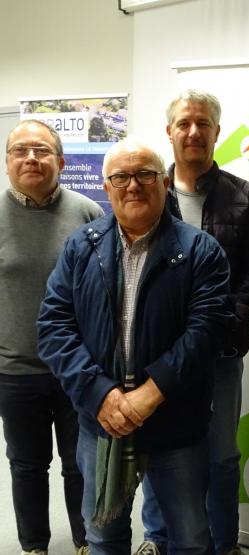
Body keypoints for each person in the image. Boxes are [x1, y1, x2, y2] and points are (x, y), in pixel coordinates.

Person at [36, 138, 234, 555]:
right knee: (103, 537)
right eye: (120, 177)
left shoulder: (201, 251)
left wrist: (151, 392)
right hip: (100, 422)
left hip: (175, 422)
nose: (133, 185)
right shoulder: (81, 246)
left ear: (164, 182)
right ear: (106, 189)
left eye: (145, 174)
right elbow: (54, 326)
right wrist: (100, 394)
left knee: (191, 538)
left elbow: (207, 332)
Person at [136, 90, 249, 555]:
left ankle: (224, 541)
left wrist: (224, 325)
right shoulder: (151, 190)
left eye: (204, 124)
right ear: (170, 131)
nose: (194, 132)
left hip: (220, 352)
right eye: (185, 124)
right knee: (158, 441)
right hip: (162, 351)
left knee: (222, 453)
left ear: (217, 132)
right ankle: (157, 536)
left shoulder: (244, 197)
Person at [0, 119, 103, 555]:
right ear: (8, 163)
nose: (31, 159)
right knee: (26, 466)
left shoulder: (89, 214)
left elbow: (105, 292)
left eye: (41, 150)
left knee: (80, 466)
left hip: (77, 370)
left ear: (61, 160)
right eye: (20, 150)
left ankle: (86, 542)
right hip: (15, 371)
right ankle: (34, 547)